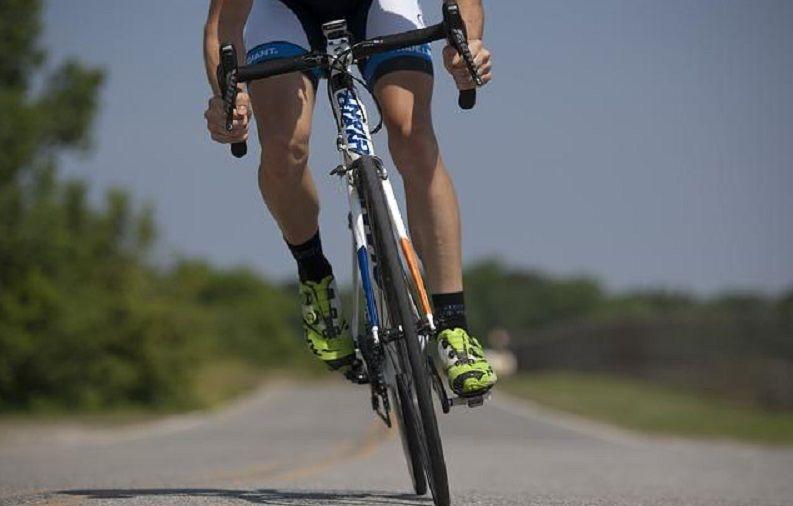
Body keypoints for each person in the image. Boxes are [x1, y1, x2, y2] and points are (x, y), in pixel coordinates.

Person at [203, 0, 496, 396]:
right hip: (285, 12)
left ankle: (453, 327)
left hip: (380, 6)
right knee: (283, 149)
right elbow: (222, 26)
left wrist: (468, 46)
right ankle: (314, 276)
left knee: (414, 137)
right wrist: (229, 98)